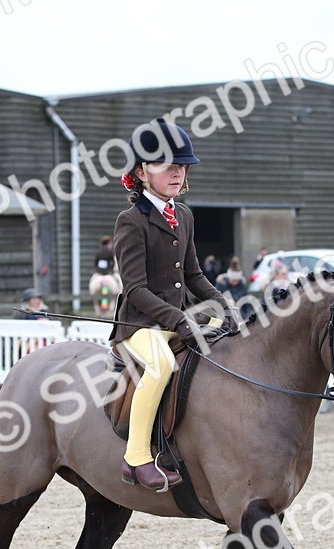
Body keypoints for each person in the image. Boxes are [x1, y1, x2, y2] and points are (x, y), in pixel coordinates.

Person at [110, 117, 235, 491]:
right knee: (162, 365)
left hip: (180, 322)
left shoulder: (184, 216)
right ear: (143, 172)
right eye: (167, 165)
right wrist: (179, 319)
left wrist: (221, 303)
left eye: (182, 166)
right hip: (140, 328)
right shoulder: (131, 221)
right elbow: (135, 288)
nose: (177, 173)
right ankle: (136, 458)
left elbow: (194, 275)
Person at [89, 235, 122, 319]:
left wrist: (98, 269)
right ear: (109, 244)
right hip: (108, 273)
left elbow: (95, 263)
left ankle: (98, 310)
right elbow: (112, 263)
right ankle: (110, 310)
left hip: (99, 273)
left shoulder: (98, 252)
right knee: (118, 286)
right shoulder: (110, 252)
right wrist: (110, 270)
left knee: (93, 284)